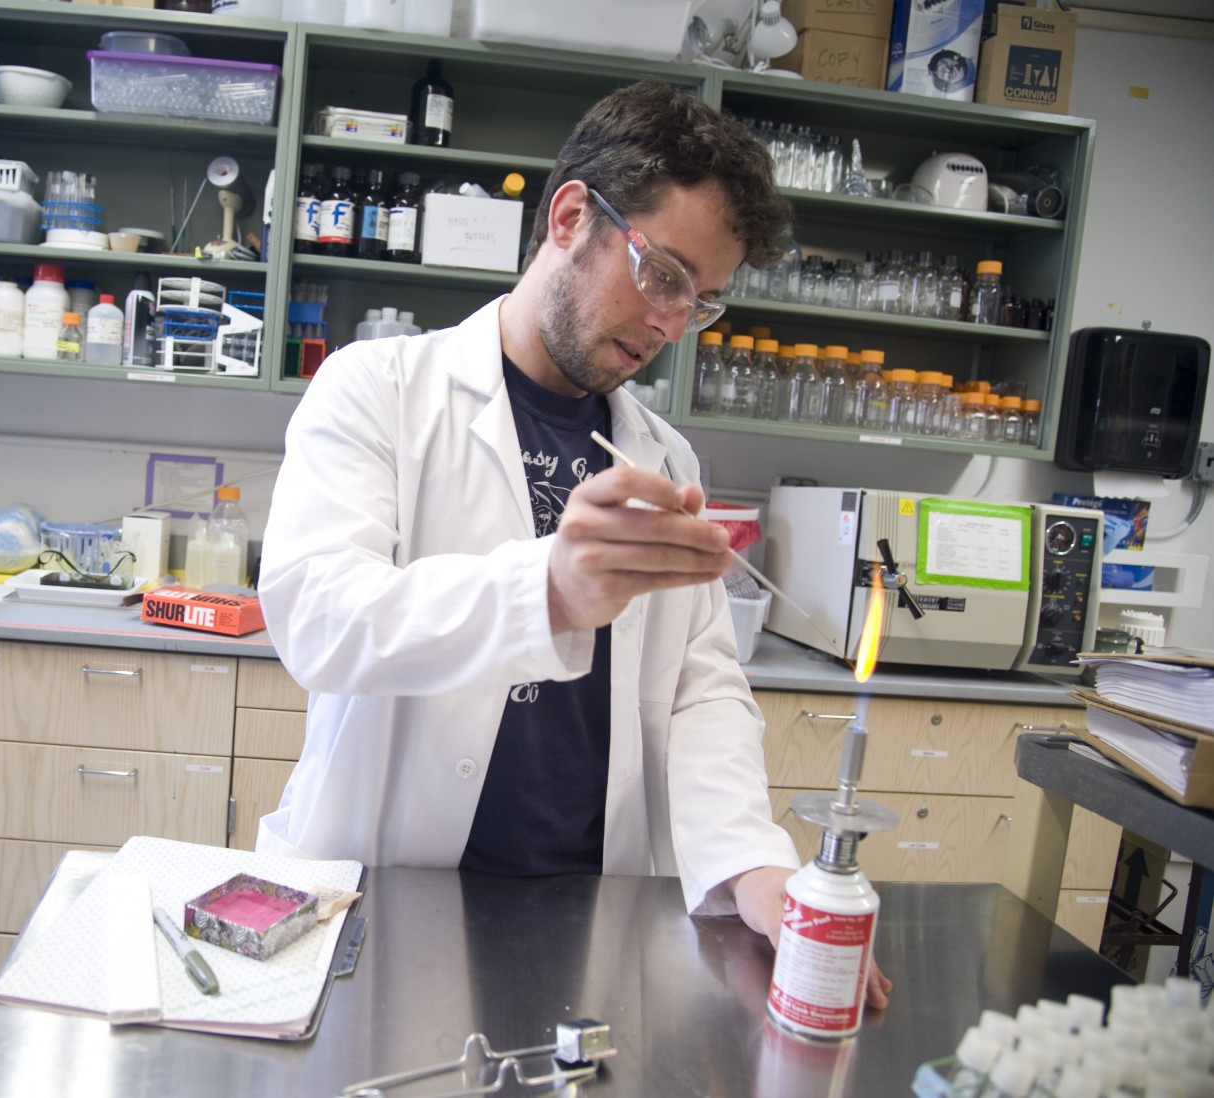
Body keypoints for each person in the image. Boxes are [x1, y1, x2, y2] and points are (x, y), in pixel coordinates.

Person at [256, 80, 890, 1009]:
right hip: (389, 897)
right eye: (664, 275)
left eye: (702, 301)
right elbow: (318, 618)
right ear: (569, 218)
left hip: (595, 912)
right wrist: (546, 591)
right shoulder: (378, 388)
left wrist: (754, 865)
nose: (673, 325)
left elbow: (702, 689)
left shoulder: (663, 454)